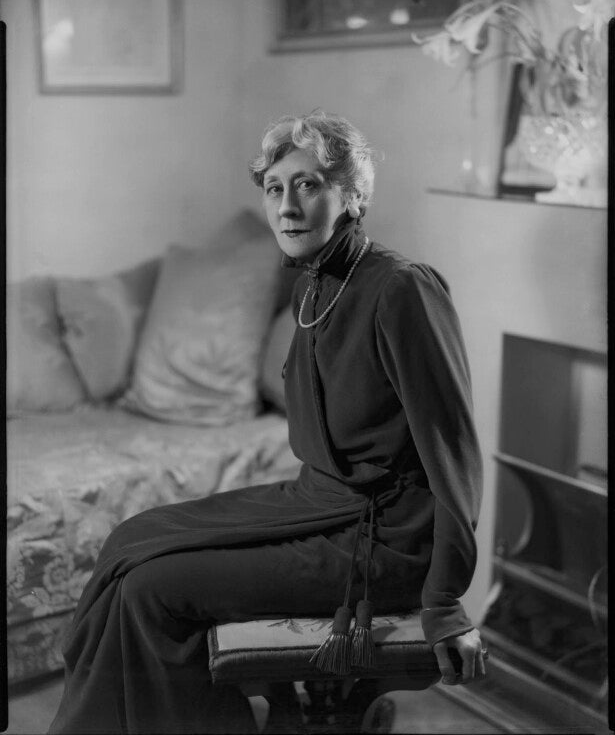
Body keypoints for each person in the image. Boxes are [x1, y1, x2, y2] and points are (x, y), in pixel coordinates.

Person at [49, 111, 485, 735]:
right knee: (129, 541)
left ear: (353, 196)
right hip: (316, 503)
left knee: (152, 588)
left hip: (384, 539)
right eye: (275, 188)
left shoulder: (402, 289)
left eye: (308, 185)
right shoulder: (311, 287)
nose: (287, 207)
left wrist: (444, 599)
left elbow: (455, 456)